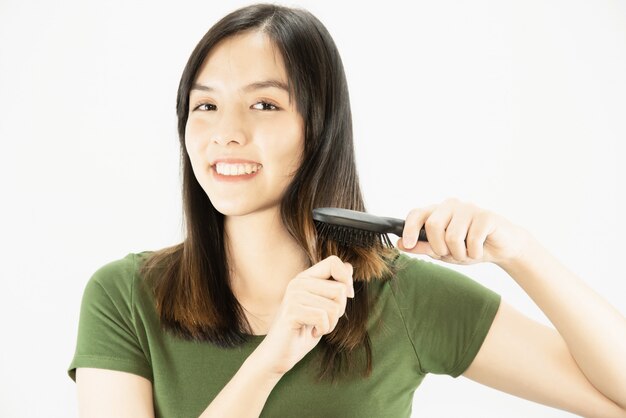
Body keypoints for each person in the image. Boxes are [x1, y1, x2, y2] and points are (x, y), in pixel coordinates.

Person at [68, 3, 626, 417]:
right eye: (206, 105)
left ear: (321, 128)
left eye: (264, 104)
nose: (226, 133)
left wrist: (521, 253)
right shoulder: (125, 296)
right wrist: (269, 361)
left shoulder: (401, 298)